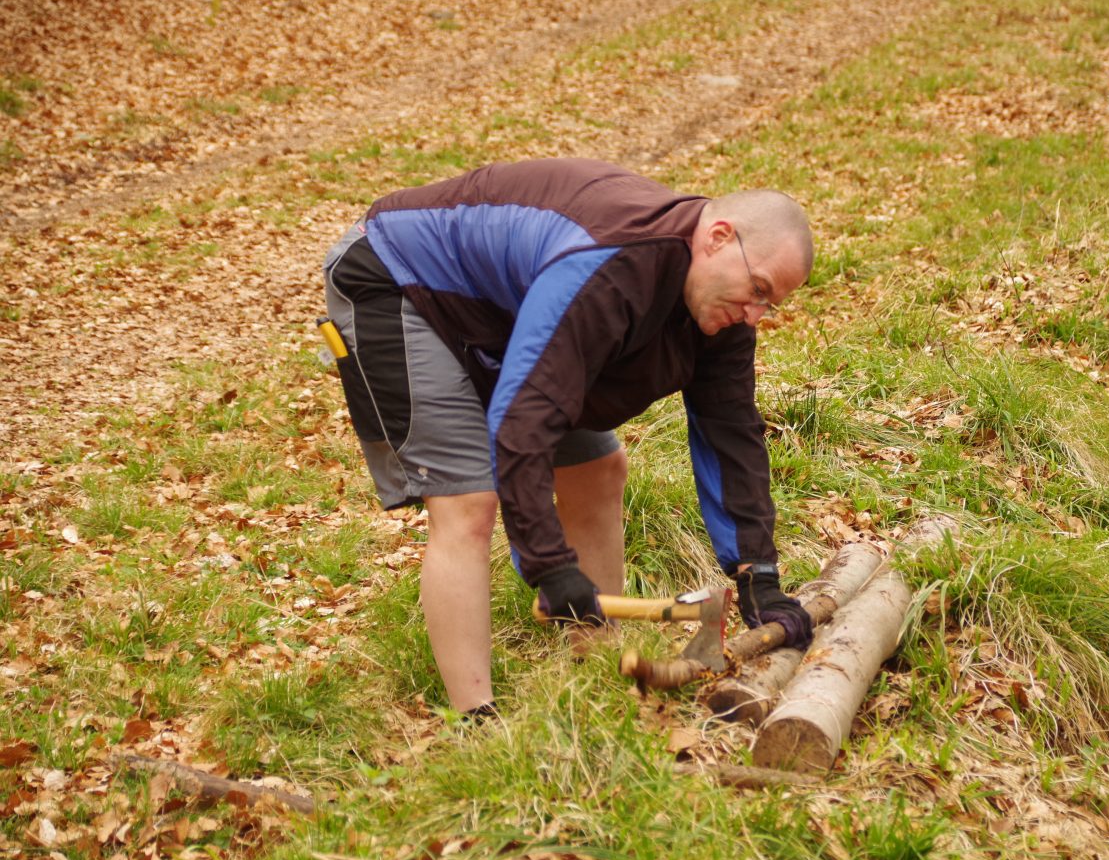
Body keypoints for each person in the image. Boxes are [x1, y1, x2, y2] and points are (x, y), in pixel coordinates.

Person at [322, 158, 814, 717]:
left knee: (598, 469)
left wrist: (757, 576)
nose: (755, 314)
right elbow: (526, 418)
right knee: (468, 502)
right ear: (718, 238)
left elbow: (732, 434)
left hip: (503, 312)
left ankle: (595, 666)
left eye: (769, 304)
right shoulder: (612, 264)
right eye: (757, 289)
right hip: (400, 282)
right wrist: (550, 564)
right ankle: (477, 721)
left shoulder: (721, 309)